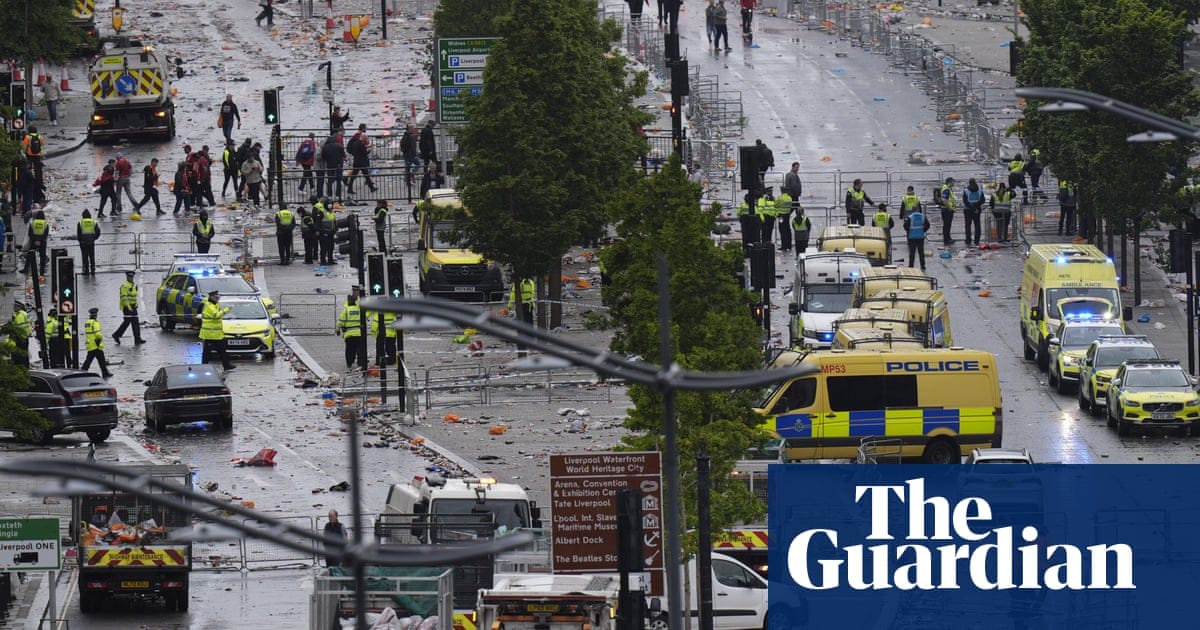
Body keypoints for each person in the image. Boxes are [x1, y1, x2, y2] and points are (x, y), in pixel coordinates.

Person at [200, 291, 235, 371]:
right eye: (216, 298)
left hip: (216, 334)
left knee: (222, 350)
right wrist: (227, 309)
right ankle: (204, 366)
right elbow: (216, 315)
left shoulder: (215, 304)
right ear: (211, 297)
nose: (218, 299)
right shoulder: (209, 305)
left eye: (218, 297)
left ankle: (226, 365)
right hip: (209, 334)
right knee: (207, 352)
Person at [112, 270, 146, 345]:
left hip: (133, 307)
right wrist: (128, 306)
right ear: (127, 277)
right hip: (127, 307)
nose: (131, 278)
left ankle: (137, 338)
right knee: (127, 322)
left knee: (135, 323)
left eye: (132, 277)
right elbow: (124, 298)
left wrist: (136, 304)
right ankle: (116, 335)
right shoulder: (124, 286)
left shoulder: (133, 285)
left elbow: (134, 296)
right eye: (130, 277)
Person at [345, 125, 377, 197]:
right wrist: (369, 150)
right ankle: (371, 188)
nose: (366, 140)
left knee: (354, 176)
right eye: (366, 139)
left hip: (356, 161)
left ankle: (350, 188)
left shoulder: (355, 143)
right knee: (366, 175)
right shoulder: (361, 144)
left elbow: (355, 151)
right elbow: (364, 153)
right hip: (361, 162)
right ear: (363, 138)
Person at [81, 308, 113, 378]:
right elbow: (98, 334)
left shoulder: (87, 322)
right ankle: (105, 373)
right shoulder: (95, 323)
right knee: (101, 360)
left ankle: (83, 371)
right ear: (95, 315)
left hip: (90, 344)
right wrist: (100, 340)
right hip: (96, 344)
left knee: (90, 360)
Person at [337, 294, 365, 370]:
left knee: (349, 350)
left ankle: (349, 363)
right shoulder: (359, 309)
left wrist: (338, 329)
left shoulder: (346, 310)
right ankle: (360, 363)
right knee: (360, 350)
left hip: (349, 334)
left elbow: (341, 322)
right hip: (359, 333)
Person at [960, 177, 985, 247]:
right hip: (977, 210)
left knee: (968, 225)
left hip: (968, 210)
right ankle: (977, 240)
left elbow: (966, 202)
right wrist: (976, 207)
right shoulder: (980, 190)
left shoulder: (966, 191)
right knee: (977, 225)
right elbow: (982, 200)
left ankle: (968, 240)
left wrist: (973, 207)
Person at [903, 204, 927, 272]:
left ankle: (911, 265)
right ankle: (922, 265)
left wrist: (909, 231)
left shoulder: (910, 217)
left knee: (912, 252)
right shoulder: (923, 216)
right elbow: (927, 225)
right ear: (918, 209)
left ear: (912, 210)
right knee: (921, 252)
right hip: (920, 237)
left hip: (912, 237)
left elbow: (905, 226)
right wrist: (923, 230)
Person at [320, 135, 345, 201]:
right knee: (339, 181)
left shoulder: (325, 147)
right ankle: (338, 195)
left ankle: (330, 195)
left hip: (330, 166)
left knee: (330, 181)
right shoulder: (339, 146)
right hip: (339, 166)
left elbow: (323, 156)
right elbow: (343, 155)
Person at [23, 126, 45, 198]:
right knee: (38, 169)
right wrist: (41, 154)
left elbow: (23, 146)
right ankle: (39, 181)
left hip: (29, 155)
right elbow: (42, 145)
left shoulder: (27, 137)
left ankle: (29, 179)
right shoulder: (40, 137)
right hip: (37, 155)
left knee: (28, 169)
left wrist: (24, 153)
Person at [76, 209, 101, 275]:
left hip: (83, 242)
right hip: (91, 241)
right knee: (92, 256)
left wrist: (80, 240)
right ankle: (93, 270)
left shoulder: (80, 222)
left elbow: (79, 233)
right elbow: (98, 231)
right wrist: (94, 238)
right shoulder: (93, 222)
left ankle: (86, 270)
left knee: (85, 256)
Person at [26, 210, 49, 275]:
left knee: (29, 255)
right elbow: (45, 234)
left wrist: (35, 240)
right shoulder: (45, 223)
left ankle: (26, 268)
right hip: (42, 242)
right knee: (42, 257)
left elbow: (30, 233)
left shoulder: (33, 223)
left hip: (34, 242)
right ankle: (42, 272)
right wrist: (40, 240)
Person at [399, 125, 421, 194]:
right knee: (418, 164)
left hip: (406, 154)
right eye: (413, 128)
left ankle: (407, 180)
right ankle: (412, 174)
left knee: (407, 168)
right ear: (410, 129)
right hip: (411, 154)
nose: (414, 129)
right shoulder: (411, 136)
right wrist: (415, 154)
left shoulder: (405, 135)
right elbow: (413, 146)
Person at [9, 301, 31, 367]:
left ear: (19, 307)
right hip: (23, 337)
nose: (13, 308)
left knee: (20, 354)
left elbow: (18, 327)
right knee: (23, 354)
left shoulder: (20, 314)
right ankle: (25, 366)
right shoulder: (21, 314)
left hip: (21, 337)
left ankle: (21, 366)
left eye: (15, 306)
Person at [937, 177, 957, 246]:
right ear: (950, 182)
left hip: (948, 209)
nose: (954, 183)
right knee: (946, 225)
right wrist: (949, 208)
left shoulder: (948, 188)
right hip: (947, 210)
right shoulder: (946, 189)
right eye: (953, 182)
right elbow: (944, 199)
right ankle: (946, 240)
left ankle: (948, 239)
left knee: (948, 225)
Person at [318, 198, 337, 265]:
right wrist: (321, 231)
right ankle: (323, 261)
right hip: (324, 232)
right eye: (329, 204)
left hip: (331, 232)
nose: (330, 206)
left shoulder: (332, 212)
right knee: (324, 248)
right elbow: (318, 222)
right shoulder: (322, 212)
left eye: (331, 204)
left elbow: (334, 221)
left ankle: (330, 260)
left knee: (331, 247)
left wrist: (335, 229)